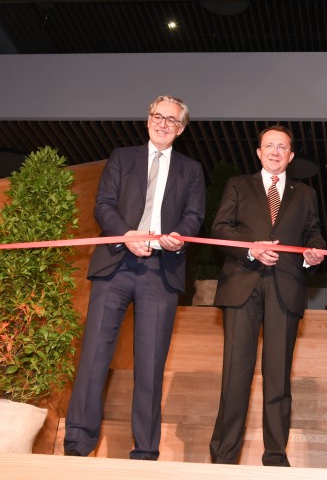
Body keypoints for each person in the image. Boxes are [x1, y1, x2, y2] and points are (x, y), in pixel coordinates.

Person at [64, 95, 205, 460]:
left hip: (161, 273)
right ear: (147, 120)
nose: (163, 124)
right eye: (158, 116)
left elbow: (194, 216)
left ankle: (144, 452)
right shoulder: (121, 157)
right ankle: (77, 445)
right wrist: (126, 235)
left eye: (172, 120)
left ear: (181, 129)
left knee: (150, 365)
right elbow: (103, 204)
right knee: (94, 355)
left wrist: (177, 240)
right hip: (115, 265)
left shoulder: (191, 169)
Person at [208, 125, 327, 467]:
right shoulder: (238, 185)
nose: (275, 152)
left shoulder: (305, 194)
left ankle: (275, 456)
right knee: (235, 376)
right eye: (269, 146)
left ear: (291, 156)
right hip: (241, 286)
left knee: (278, 377)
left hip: (285, 289)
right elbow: (219, 229)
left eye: (282, 147)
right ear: (259, 152)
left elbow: (313, 234)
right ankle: (223, 457)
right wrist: (251, 249)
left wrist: (314, 253)